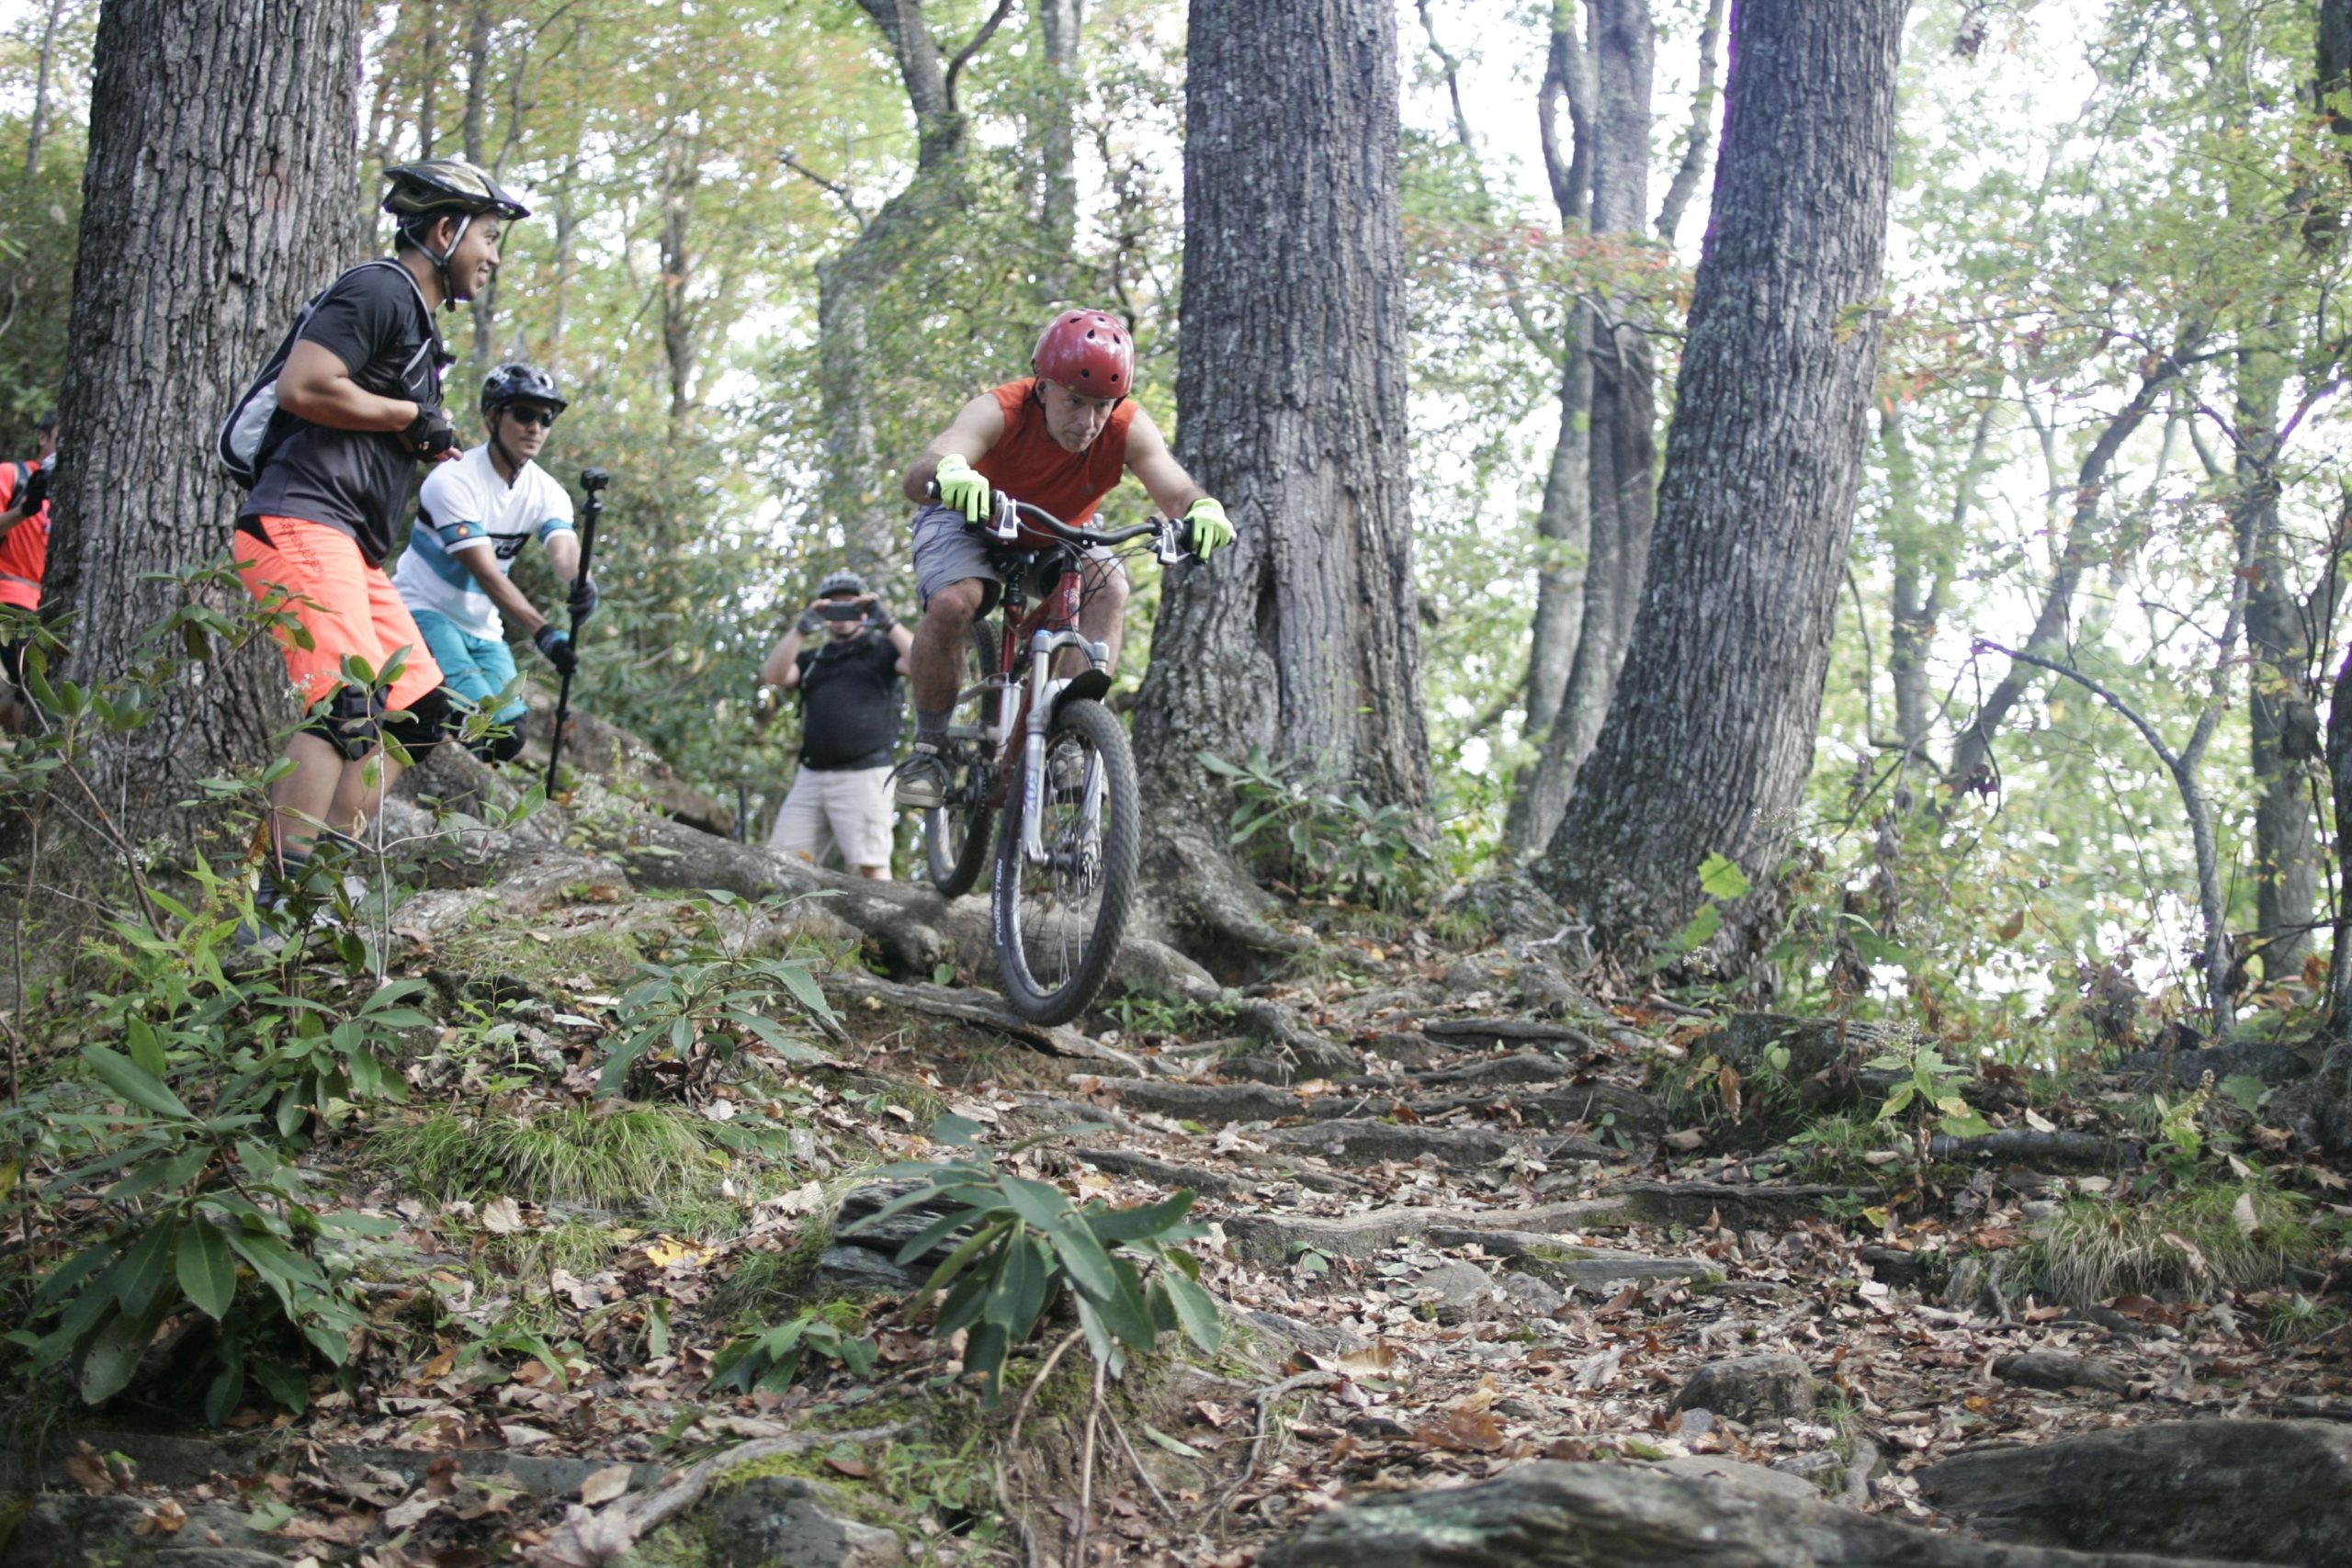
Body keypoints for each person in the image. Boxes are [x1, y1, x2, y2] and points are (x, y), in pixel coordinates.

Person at [232, 157, 527, 912]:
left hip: (352, 545)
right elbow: (306, 386)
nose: (492, 257)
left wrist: (422, 436)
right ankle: (277, 906)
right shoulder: (380, 289)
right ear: (444, 229)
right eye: (488, 238)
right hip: (300, 519)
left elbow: (362, 408)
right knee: (344, 703)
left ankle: (324, 882)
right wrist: (405, 416)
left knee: (420, 710)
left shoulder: (421, 331)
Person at [889, 309, 1234, 808]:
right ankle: (928, 750)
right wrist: (949, 473)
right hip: (970, 516)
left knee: (1109, 586)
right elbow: (927, 464)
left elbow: (1175, 488)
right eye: (1074, 401)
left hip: (1056, 531)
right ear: (1043, 386)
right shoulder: (1001, 409)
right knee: (953, 603)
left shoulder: (1127, 427)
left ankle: (1068, 738)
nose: (1088, 422)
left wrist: (1202, 508)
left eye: (1101, 406)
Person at [390, 362, 594, 762]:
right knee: (466, 713)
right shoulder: (453, 480)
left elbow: (564, 549)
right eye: (523, 414)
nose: (535, 427)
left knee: (508, 736)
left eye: (545, 417)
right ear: (491, 416)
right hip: (423, 610)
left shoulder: (546, 491)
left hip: (481, 627)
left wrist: (581, 581)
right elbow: (484, 572)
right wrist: (544, 633)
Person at [760, 570, 913, 878]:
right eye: (834, 606)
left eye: (850, 605)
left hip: (865, 774)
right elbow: (774, 675)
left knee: (872, 865)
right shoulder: (813, 659)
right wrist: (802, 628)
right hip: (812, 776)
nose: (842, 613)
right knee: (779, 863)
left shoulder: (881, 650)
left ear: (864, 611)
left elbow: (923, 664)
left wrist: (886, 622)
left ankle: (884, 926)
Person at [0, 409, 57, 733]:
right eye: (61, 438)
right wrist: (25, 509)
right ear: (42, 436)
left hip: (48, 608)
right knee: (33, 690)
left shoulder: (79, 492)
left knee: (22, 696)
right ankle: (30, 774)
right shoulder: (12, 475)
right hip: (10, 596)